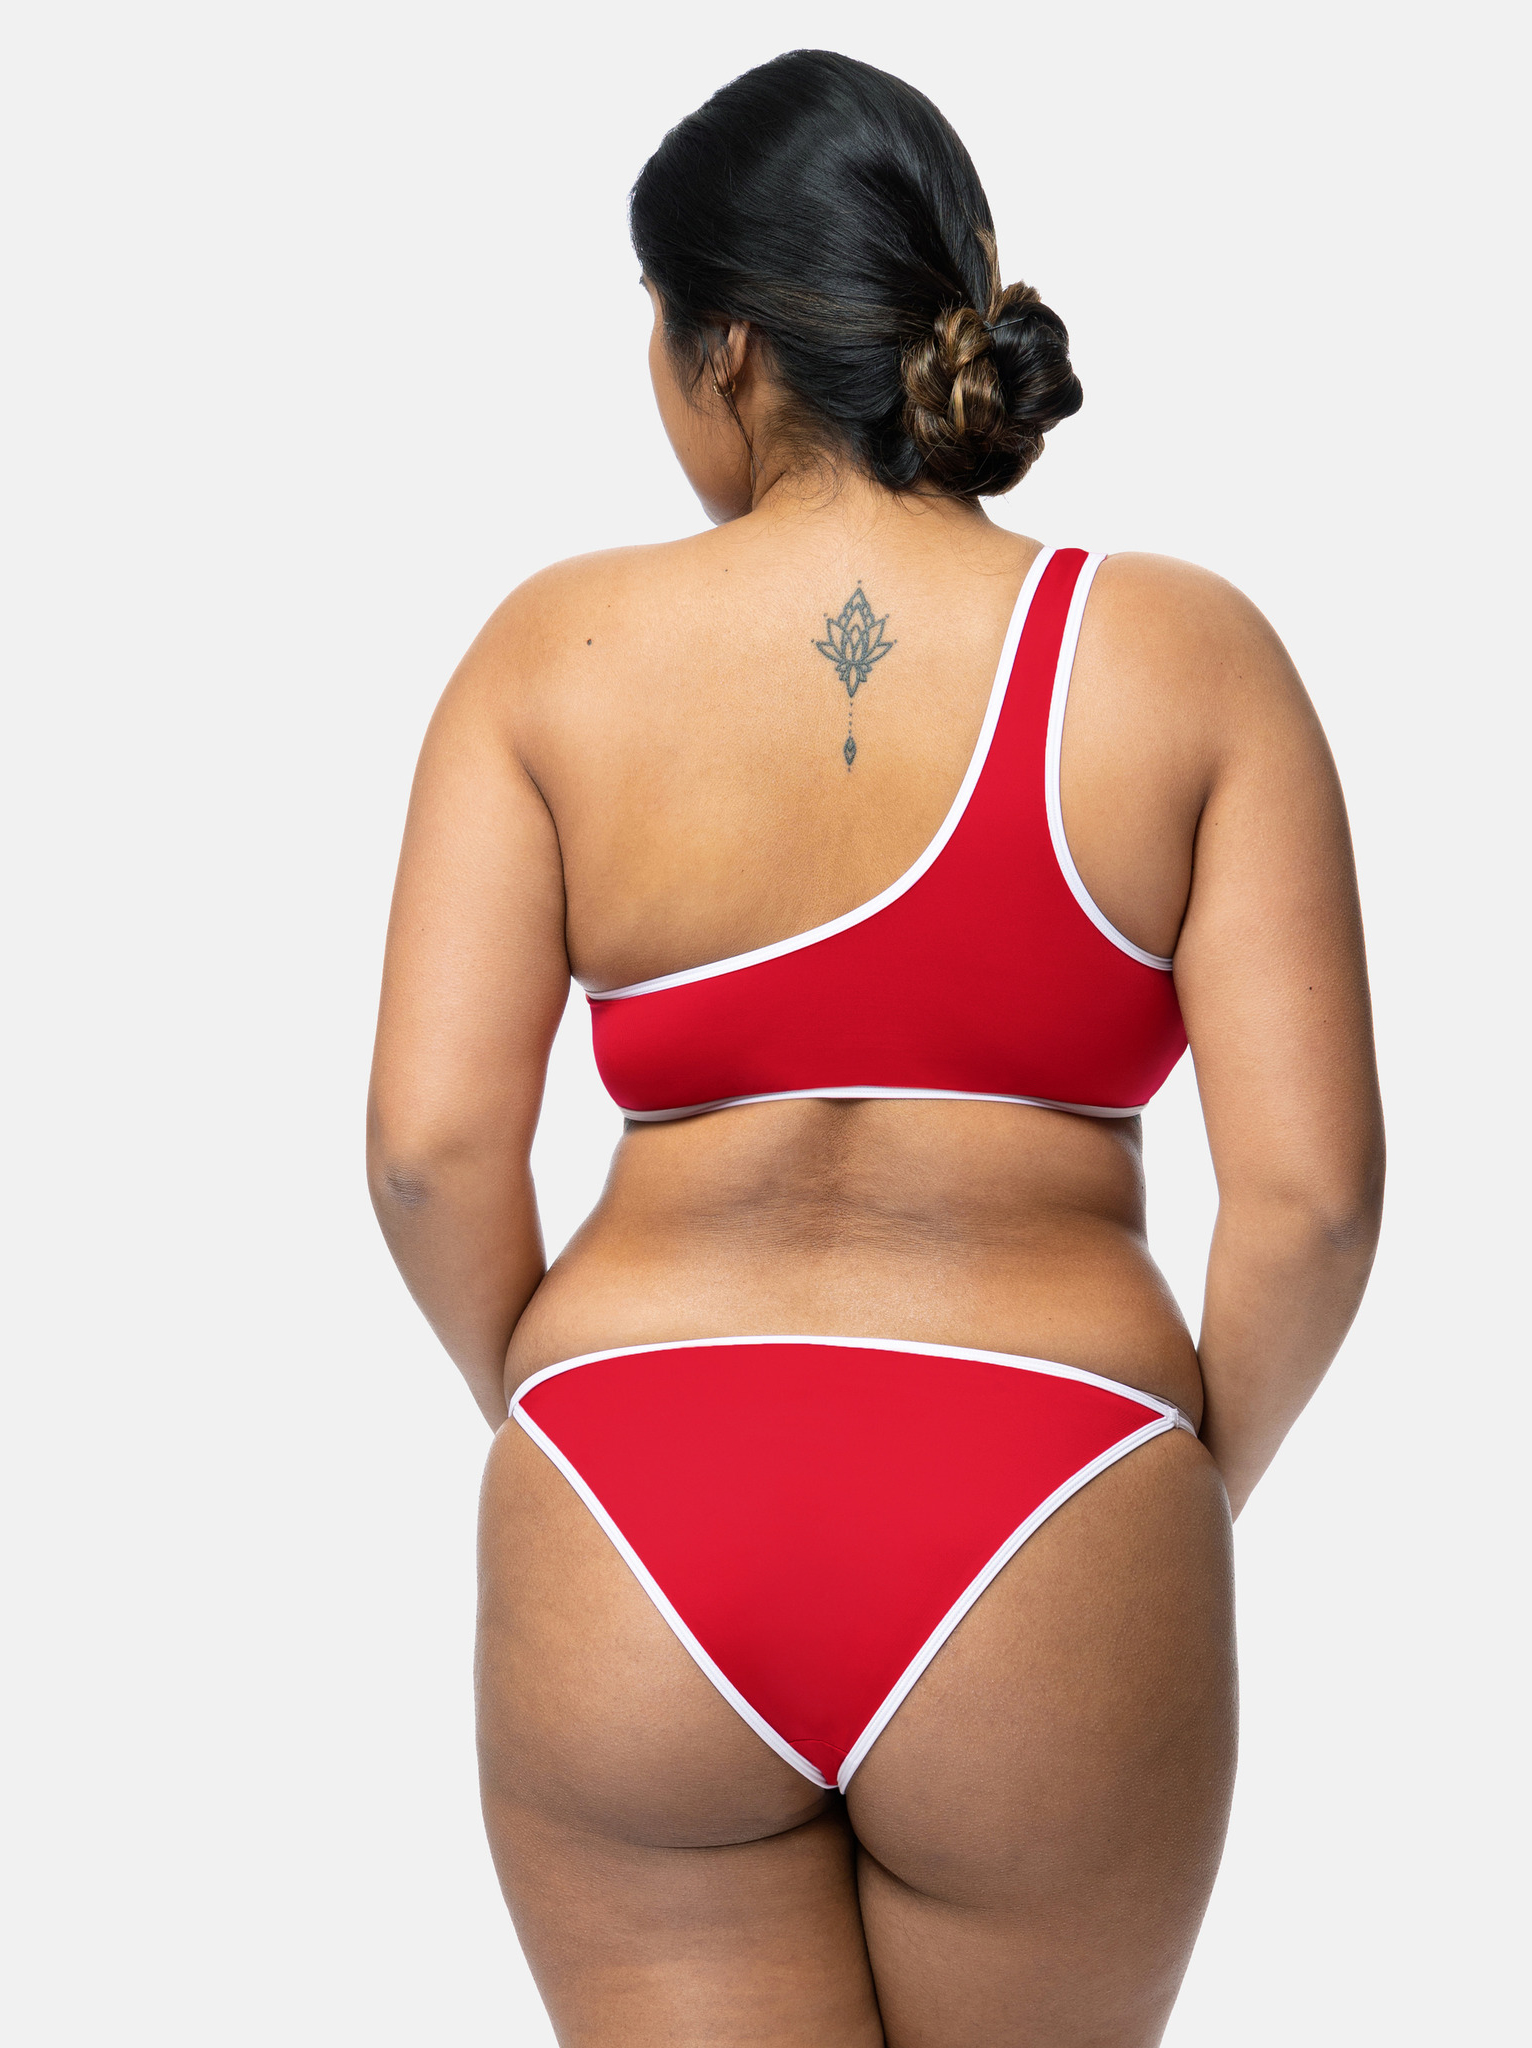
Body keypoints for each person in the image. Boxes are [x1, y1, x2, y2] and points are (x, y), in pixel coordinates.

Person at [367, 48, 1384, 2048]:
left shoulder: (547, 655)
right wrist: (1174, 1480)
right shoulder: (1189, 655)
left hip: (631, 1496)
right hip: (1052, 1485)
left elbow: (426, 1153)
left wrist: (565, 1413)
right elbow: (1317, 1203)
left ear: (725, 349)